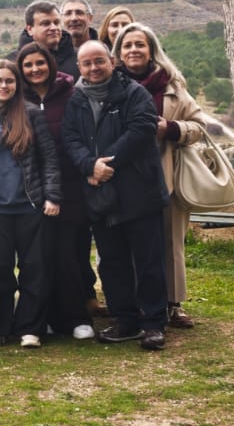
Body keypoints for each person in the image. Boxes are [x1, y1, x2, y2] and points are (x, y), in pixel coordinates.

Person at [113, 22, 222, 331]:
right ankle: (133, 304)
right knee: (127, 244)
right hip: (123, 176)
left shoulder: (172, 84)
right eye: (127, 45)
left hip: (165, 175)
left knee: (170, 242)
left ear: (152, 50)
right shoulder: (110, 83)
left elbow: (199, 126)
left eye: (140, 44)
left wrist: (170, 128)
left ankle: (172, 304)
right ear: (118, 52)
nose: (134, 50)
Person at [62, 41, 169, 351]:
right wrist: (88, 165)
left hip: (139, 192)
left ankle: (153, 323)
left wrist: (106, 163)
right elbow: (70, 138)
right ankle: (126, 320)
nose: (94, 68)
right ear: (79, 68)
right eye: (87, 64)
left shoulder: (134, 92)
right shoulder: (77, 99)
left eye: (99, 61)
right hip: (99, 196)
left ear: (112, 61)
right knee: (112, 262)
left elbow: (142, 128)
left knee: (148, 261)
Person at [0, 61, 61, 348]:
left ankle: (30, 327)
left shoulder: (31, 114)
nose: (3, 86)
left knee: (36, 269)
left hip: (31, 206)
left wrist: (52, 196)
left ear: (18, 85)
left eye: (9, 81)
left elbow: (50, 159)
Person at [13, 42, 94, 340]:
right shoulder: (16, 99)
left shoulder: (72, 94)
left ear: (50, 64)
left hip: (71, 185)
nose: (35, 70)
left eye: (40, 63)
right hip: (34, 189)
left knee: (70, 255)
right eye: (28, 65)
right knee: (38, 257)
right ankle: (41, 316)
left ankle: (75, 317)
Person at [20, 0, 78, 76]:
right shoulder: (15, 63)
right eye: (45, 24)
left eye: (56, 23)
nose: (53, 28)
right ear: (30, 29)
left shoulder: (80, 59)